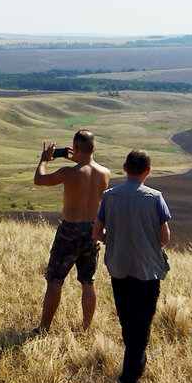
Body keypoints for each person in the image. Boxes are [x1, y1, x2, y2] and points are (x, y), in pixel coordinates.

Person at [92, 148, 171, 383]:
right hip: (147, 272)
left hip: (119, 268)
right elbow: (165, 237)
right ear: (147, 171)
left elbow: (96, 233)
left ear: (125, 168)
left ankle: (133, 366)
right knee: (140, 330)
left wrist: (113, 238)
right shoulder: (155, 197)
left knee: (129, 325)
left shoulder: (110, 196)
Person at [32, 129, 111, 332]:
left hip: (69, 232)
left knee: (55, 280)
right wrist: (81, 158)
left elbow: (39, 179)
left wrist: (44, 160)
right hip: (92, 232)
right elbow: (88, 171)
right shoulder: (105, 173)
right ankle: (85, 328)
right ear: (94, 148)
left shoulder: (68, 172)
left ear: (75, 148)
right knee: (88, 281)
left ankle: (44, 328)